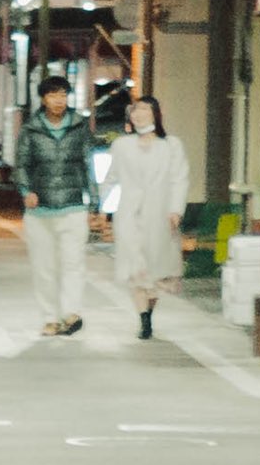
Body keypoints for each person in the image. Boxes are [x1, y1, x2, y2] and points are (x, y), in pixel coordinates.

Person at [15, 74, 99, 337]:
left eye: (63, 94)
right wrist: (26, 190)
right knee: (44, 267)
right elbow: (21, 165)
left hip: (73, 206)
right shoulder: (31, 129)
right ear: (43, 98)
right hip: (39, 211)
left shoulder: (79, 126)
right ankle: (50, 317)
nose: (59, 100)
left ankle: (70, 313)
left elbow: (89, 165)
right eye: (53, 95)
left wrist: (95, 203)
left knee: (73, 263)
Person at [105, 93, 193, 341]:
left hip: (161, 214)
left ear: (156, 114)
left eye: (145, 109)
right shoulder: (122, 145)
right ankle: (143, 319)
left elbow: (179, 178)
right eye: (136, 109)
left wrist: (176, 209)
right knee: (137, 268)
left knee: (158, 270)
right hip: (129, 215)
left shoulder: (171, 145)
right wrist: (104, 211)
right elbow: (111, 179)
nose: (139, 113)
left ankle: (148, 312)